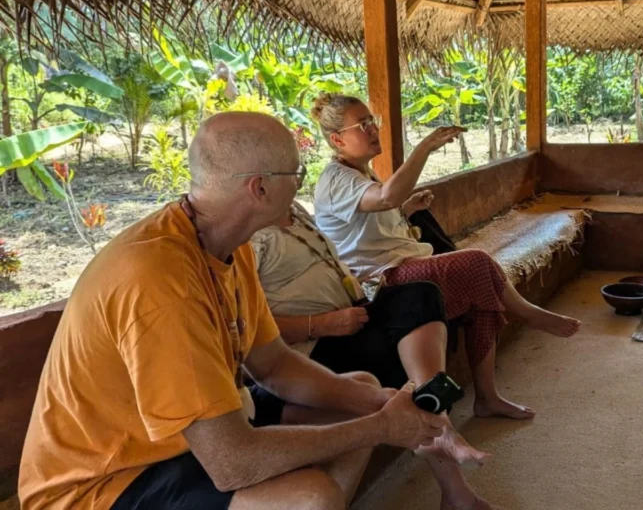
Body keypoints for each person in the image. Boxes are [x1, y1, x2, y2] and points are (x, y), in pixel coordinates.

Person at [18, 112, 446, 510]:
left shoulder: (227, 246)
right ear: (259, 189)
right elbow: (232, 464)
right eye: (296, 174)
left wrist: (380, 403)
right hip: (104, 482)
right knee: (308, 497)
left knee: (360, 395)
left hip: (184, 440)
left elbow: (274, 364)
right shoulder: (163, 283)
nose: (302, 186)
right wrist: (380, 428)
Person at [310, 93, 581, 420]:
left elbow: (373, 220)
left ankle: (487, 398)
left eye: (372, 121)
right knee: (477, 262)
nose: (372, 130)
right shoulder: (335, 179)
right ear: (337, 139)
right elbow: (385, 198)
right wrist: (424, 148)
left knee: (482, 298)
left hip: (407, 266)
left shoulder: (361, 173)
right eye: (362, 125)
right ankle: (529, 314)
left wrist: (407, 209)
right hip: (383, 283)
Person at [251, 199, 495, 508]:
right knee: (399, 359)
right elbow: (246, 332)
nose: (298, 173)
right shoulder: (247, 236)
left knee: (421, 295)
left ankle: (441, 422)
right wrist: (321, 324)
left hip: (349, 317)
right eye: (289, 168)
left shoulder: (294, 209)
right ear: (259, 183)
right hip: (307, 351)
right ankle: (452, 472)